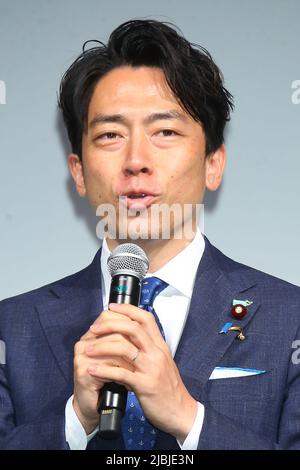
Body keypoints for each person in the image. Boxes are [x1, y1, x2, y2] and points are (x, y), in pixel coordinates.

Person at [0, 19, 300, 451]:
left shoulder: (290, 319)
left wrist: (188, 418)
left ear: (213, 163)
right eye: (110, 135)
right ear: (79, 173)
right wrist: (74, 420)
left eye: (165, 132)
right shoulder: (12, 329)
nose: (136, 160)